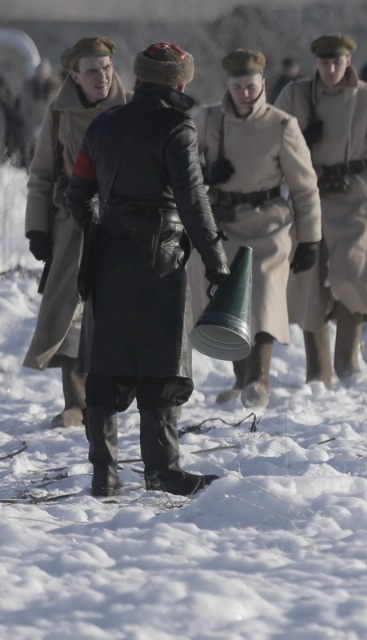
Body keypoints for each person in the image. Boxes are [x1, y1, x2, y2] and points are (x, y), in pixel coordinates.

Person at [65, 42, 231, 497]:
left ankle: (105, 471)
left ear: (140, 78)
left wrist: (100, 223)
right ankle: (163, 469)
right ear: (179, 82)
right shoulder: (177, 127)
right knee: (163, 364)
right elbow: (193, 202)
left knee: (108, 361)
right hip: (163, 258)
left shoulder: (101, 125)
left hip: (108, 256)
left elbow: (77, 195)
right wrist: (217, 261)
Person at [274, 34, 367, 387]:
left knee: (354, 273)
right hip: (310, 196)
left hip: (356, 196)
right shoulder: (295, 95)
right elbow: (268, 139)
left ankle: (347, 360)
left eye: (337, 62)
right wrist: (301, 138)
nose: (331, 69)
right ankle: (317, 371)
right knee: (307, 282)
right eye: (324, 63)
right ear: (316, 63)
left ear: (349, 61)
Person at [191, 49, 323, 409]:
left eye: (251, 86)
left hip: (269, 224)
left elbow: (304, 185)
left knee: (262, 292)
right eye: (237, 86)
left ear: (263, 84)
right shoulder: (207, 119)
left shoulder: (281, 124)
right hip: (223, 223)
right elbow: (177, 155)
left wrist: (310, 238)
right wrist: (203, 174)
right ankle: (240, 378)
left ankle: (258, 380)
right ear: (227, 86)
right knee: (225, 298)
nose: (244, 93)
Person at [22, 36, 129, 430]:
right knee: (72, 313)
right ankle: (75, 402)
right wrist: (38, 228)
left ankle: (126, 396)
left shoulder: (132, 106)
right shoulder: (60, 112)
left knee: (123, 310)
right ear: (74, 75)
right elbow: (42, 174)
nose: (101, 77)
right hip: (73, 221)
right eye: (92, 71)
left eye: (107, 68)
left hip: (123, 221)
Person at [17, 58, 63, 165]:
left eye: (44, 73)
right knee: (31, 150)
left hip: (49, 125)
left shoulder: (55, 88)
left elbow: (58, 109)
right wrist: (32, 125)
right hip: (32, 126)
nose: (42, 76)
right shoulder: (28, 88)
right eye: (40, 74)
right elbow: (24, 109)